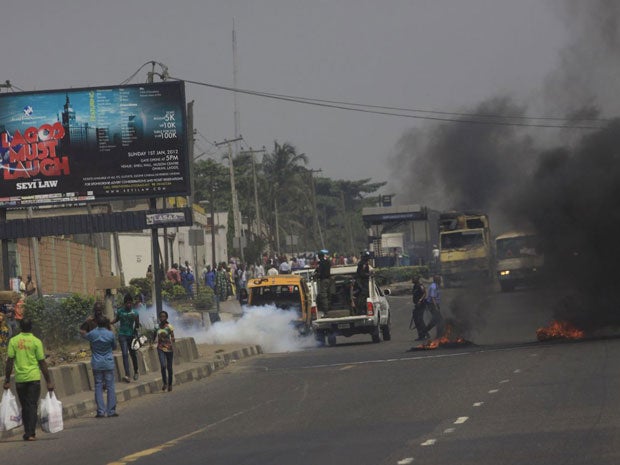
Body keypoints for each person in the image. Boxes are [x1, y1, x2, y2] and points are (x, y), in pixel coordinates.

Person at [3, 318, 55, 441]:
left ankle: (28, 432)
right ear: (31, 327)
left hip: (20, 379)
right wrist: (48, 381)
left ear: (20, 327)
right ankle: (31, 432)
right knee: (32, 405)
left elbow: (9, 361)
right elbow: (42, 362)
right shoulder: (36, 341)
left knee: (25, 405)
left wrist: (6, 380)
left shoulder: (14, 341)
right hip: (34, 378)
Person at [80, 313, 117, 417]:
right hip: (108, 362)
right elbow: (114, 347)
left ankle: (100, 411)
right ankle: (111, 411)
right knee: (110, 386)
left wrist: (86, 322)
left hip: (96, 363)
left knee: (98, 386)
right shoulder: (110, 334)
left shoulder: (92, 333)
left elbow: (82, 333)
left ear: (96, 323)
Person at [111, 293, 140, 383]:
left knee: (133, 354)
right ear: (124, 303)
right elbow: (116, 320)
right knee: (124, 354)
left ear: (132, 303)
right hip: (122, 334)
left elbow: (137, 325)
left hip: (131, 335)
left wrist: (136, 333)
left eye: (130, 303)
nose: (129, 304)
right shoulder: (120, 311)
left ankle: (136, 371)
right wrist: (108, 323)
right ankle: (127, 375)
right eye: (127, 303)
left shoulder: (135, 313)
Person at [153, 310, 175, 392]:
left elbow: (172, 336)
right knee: (163, 366)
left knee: (169, 367)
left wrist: (173, 339)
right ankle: (164, 383)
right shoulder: (157, 327)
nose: (162, 318)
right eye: (161, 316)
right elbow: (154, 335)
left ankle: (170, 384)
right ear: (159, 318)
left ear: (166, 317)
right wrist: (151, 343)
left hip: (169, 348)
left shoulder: (169, 326)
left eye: (164, 316)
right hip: (160, 348)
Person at [411, 276, 429, 341]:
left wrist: (420, 300)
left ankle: (423, 335)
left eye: (413, 278)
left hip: (421, 305)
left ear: (417, 279)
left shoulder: (420, 285)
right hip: (417, 305)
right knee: (417, 320)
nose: (412, 279)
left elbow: (424, 293)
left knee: (419, 320)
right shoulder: (415, 286)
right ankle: (423, 334)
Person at [354, 251, 372, 315]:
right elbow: (362, 274)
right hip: (361, 282)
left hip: (362, 282)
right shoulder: (362, 264)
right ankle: (361, 310)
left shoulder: (364, 263)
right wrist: (368, 274)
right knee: (363, 296)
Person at [314, 250, 331, 315]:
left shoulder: (321, 263)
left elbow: (319, 272)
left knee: (323, 295)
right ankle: (329, 308)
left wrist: (316, 275)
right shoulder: (328, 262)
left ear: (319, 256)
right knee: (328, 294)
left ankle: (326, 311)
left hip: (323, 280)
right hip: (328, 280)